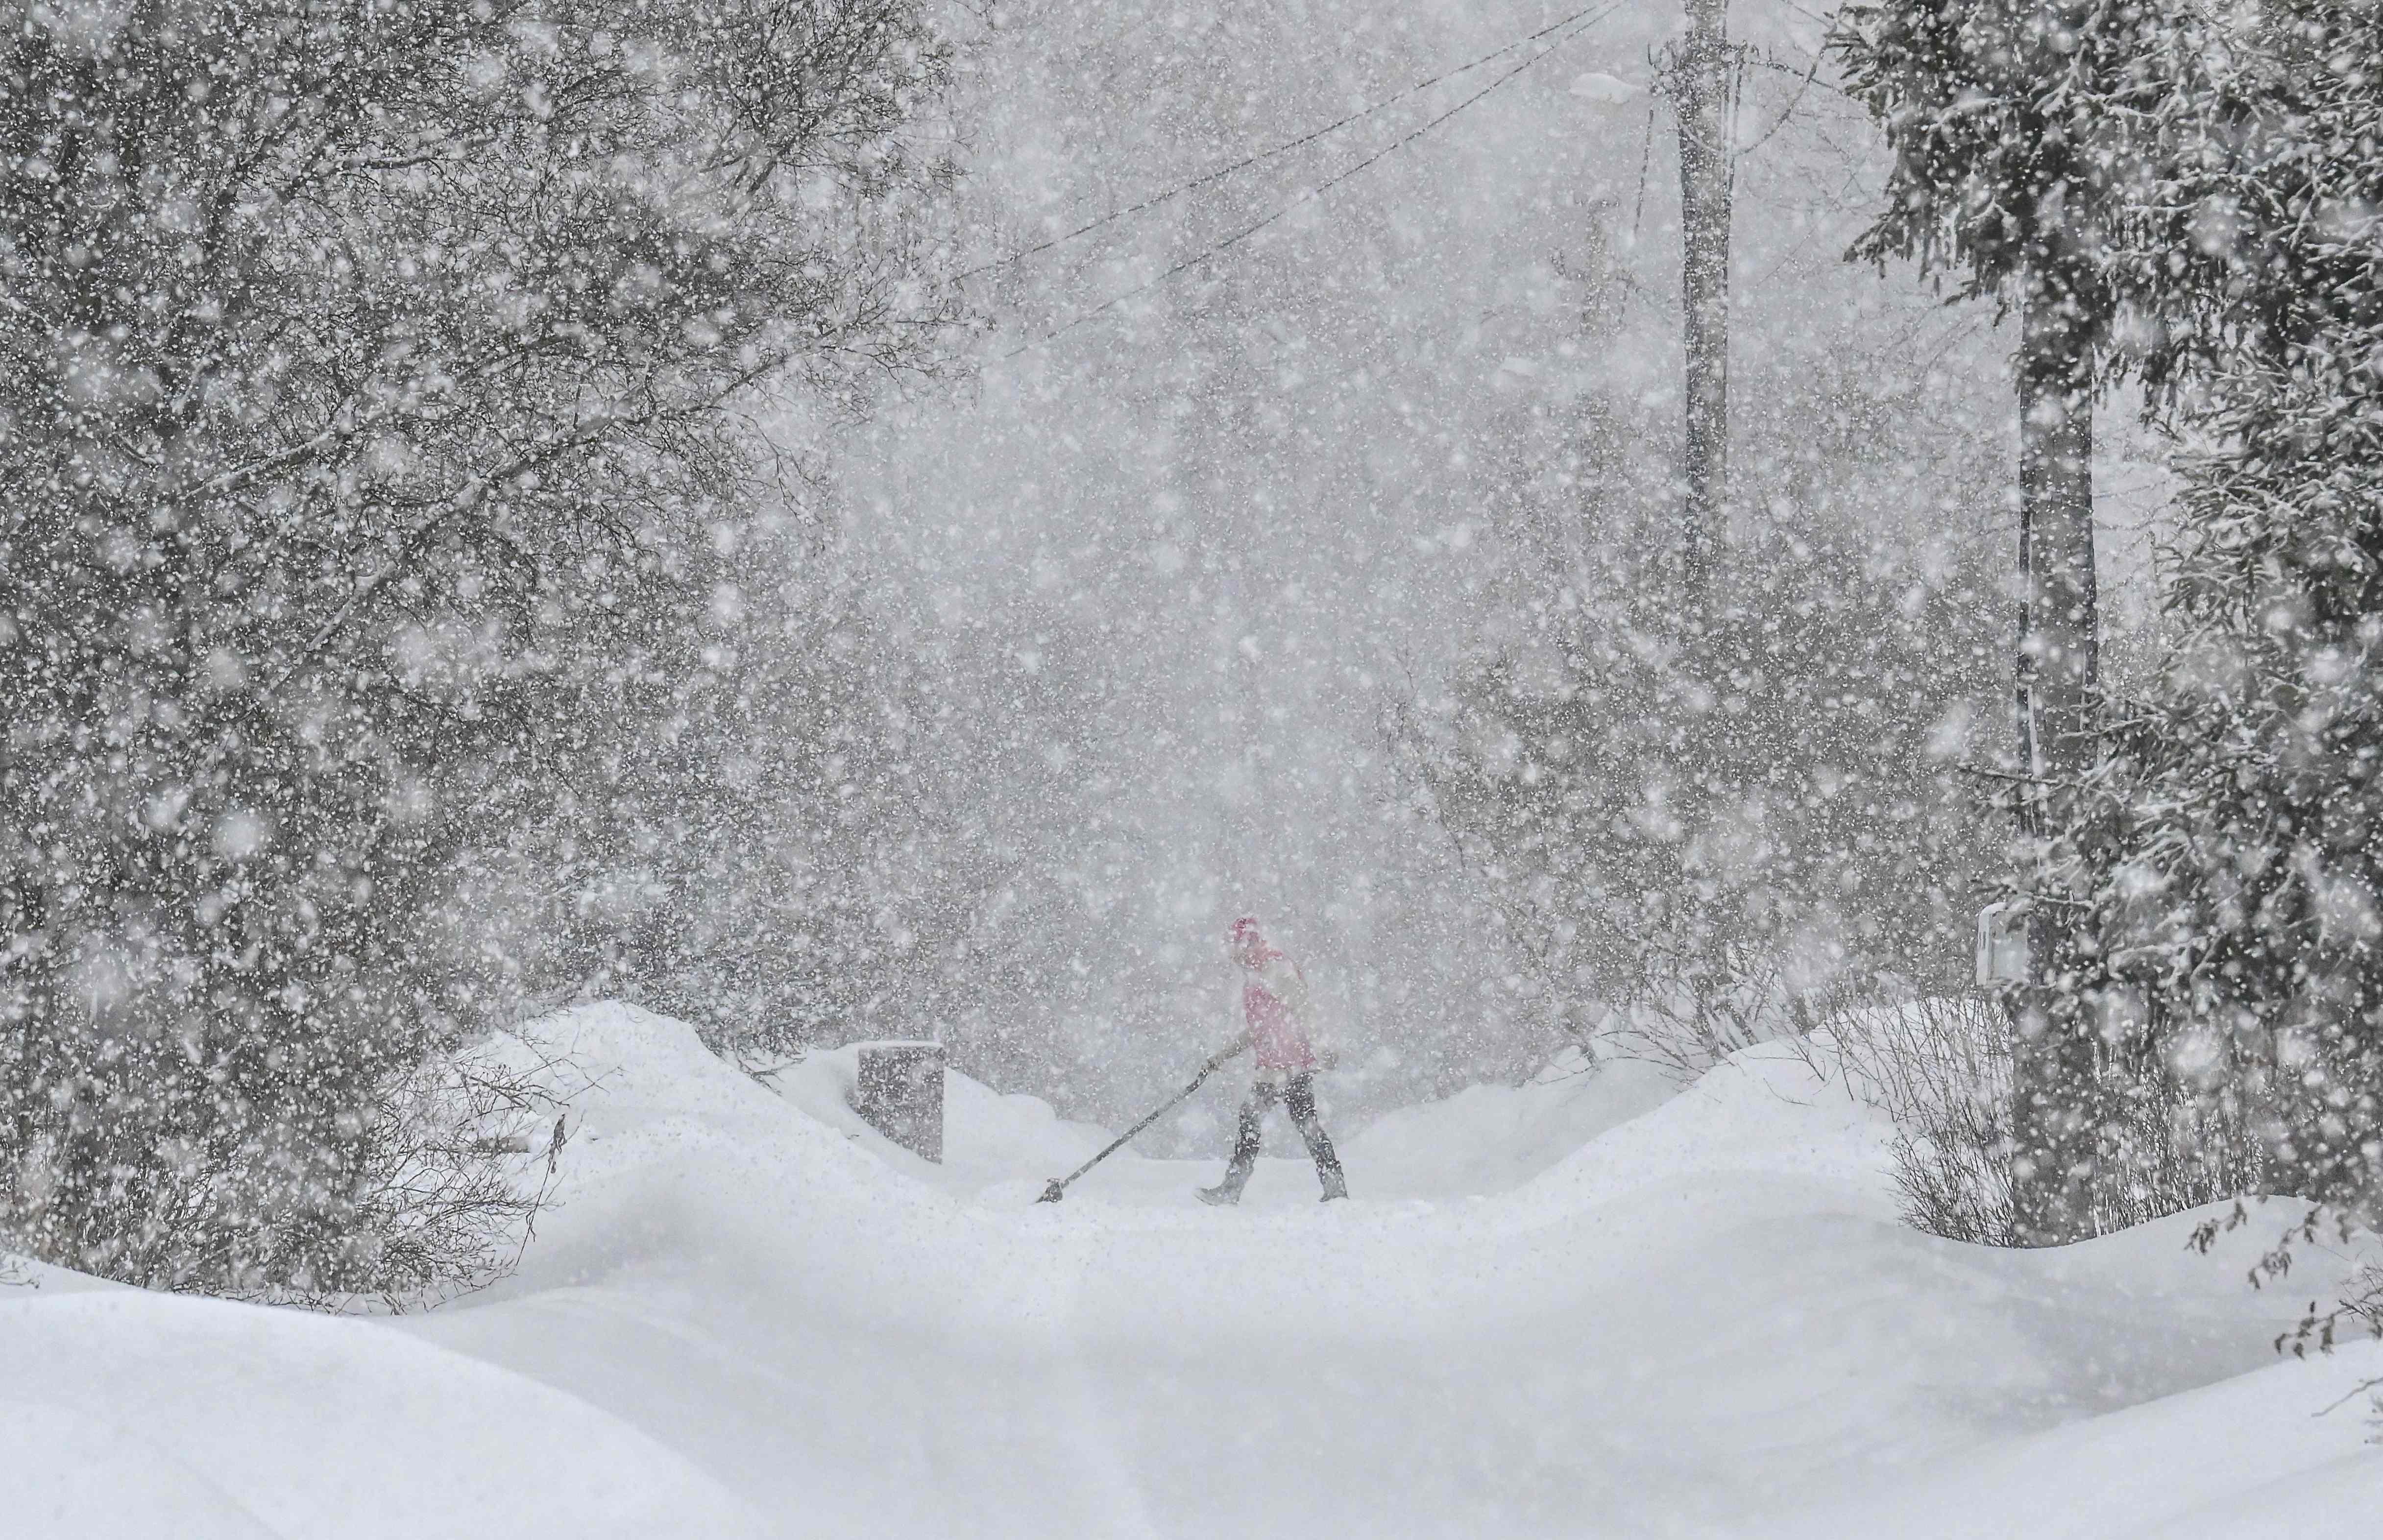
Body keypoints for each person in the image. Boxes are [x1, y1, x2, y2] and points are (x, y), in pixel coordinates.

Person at [1198, 917, 1348, 1205]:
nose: (1232, 954)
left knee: (1299, 1123)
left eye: (1236, 946)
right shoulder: (1255, 976)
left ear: (1250, 944)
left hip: (1292, 1065)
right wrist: (1220, 1058)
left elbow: (1304, 1009)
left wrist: (1323, 1046)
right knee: (1265, 1120)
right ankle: (1333, 1189)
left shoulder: (1275, 969)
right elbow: (1259, 1030)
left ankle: (1335, 1190)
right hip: (1273, 1067)